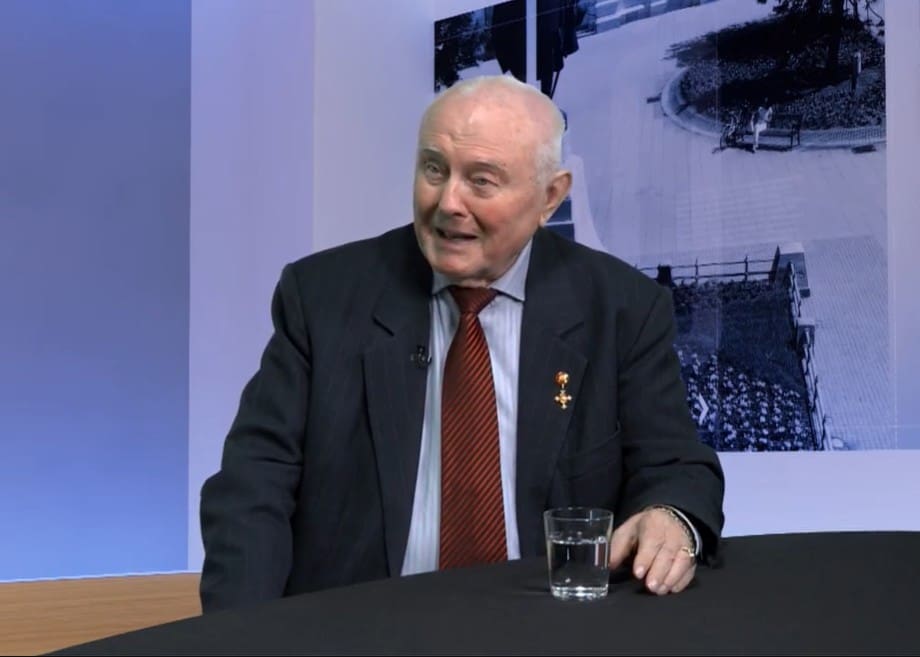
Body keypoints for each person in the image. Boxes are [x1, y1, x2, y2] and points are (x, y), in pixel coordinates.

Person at [198, 74, 725, 613]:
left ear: (549, 197)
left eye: (482, 180)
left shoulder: (621, 308)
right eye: (434, 169)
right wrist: (244, 636)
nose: (448, 201)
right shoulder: (322, 297)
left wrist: (671, 515)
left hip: (552, 629)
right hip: (361, 629)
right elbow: (252, 487)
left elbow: (676, 466)